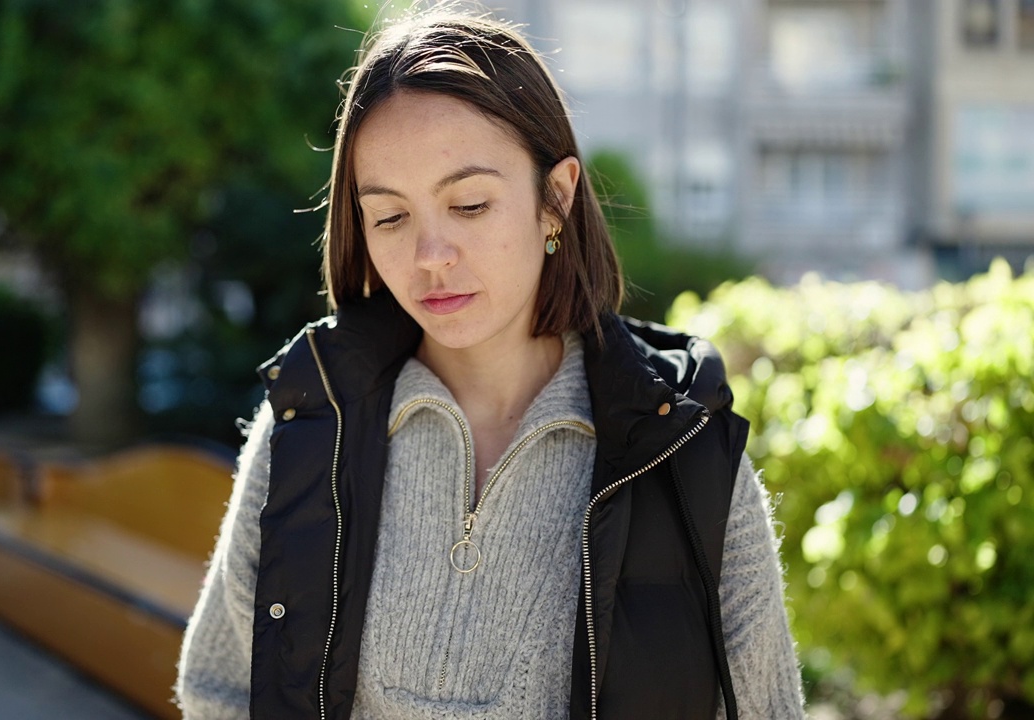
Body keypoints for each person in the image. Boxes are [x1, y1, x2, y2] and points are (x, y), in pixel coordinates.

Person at [175, 9, 805, 719]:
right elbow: (219, 692)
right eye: (389, 217)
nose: (430, 257)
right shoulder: (311, 426)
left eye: (469, 204)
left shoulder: (681, 449)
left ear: (555, 200)